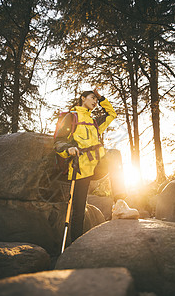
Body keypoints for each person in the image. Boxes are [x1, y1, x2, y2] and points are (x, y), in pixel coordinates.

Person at [54, 89, 129, 242]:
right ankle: (77, 244)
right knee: (79, 210)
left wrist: (102, 99)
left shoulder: (94, 121)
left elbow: (111, 114)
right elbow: (58, 141)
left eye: (96, 98)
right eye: (92, 98)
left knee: (114, 154)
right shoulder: (71, 117)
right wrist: (68, 149)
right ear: (83, 98)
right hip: (79, 168)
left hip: (97, 165)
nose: (95, 101)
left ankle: (120, 203)